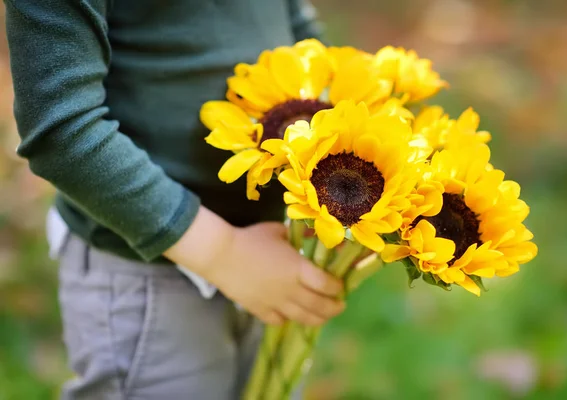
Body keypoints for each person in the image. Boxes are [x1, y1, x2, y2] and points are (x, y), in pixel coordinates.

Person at [4, 1, 346, 399]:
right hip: (146, 275)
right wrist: (226, 255)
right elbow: (63, 131)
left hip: (272, 257)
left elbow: (296, 33)